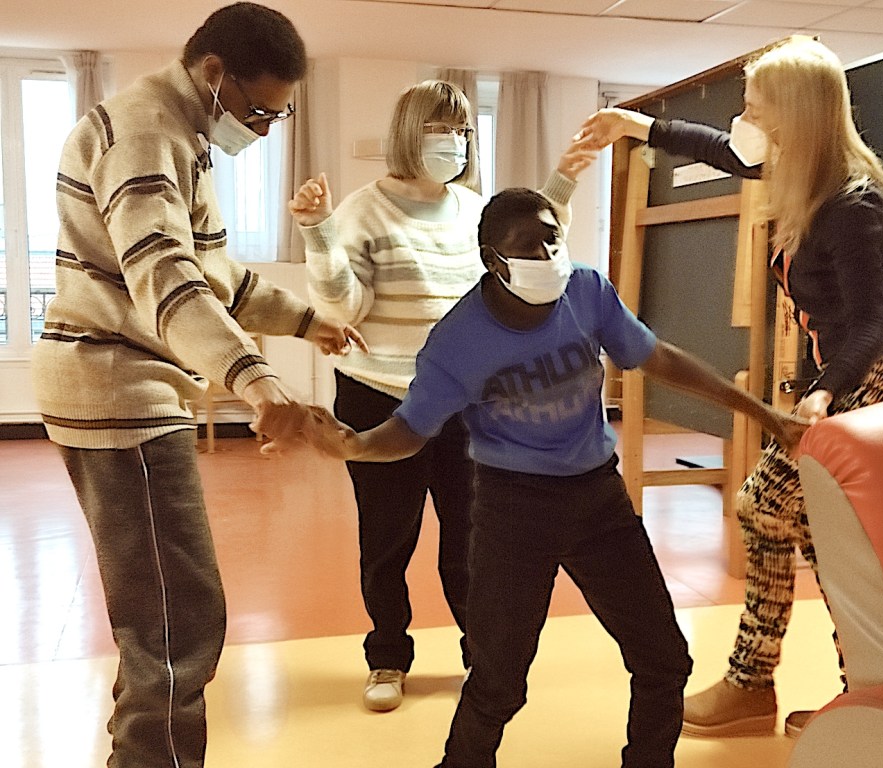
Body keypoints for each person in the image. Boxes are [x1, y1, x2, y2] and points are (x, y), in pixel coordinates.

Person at [290, 186, 807, 768]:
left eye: (551, 237)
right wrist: (353, 446)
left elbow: (656, 356)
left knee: (664, 659)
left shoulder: (586, 291)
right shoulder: (457, 341)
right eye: (526, 247)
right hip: (514, 512)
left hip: (599, 501)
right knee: (498, 685)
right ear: (492, 260)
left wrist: (766, 415)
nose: (545, 255)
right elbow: (411, 430)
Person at [30, 4, 365, 766]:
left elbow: (214, 272)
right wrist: (258, 382)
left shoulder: (179, 136)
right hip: (118, 390)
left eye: (280, 117)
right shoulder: (146, 132)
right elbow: (166, 276)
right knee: (175, 622)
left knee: (163, 616)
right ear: (214, 73)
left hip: (119, 386)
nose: (266, 131)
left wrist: (304, 319)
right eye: (260, 111)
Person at [575, 35, 883, 738]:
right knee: (812, 530)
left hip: (874, 380)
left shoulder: (853, 205)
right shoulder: (796, 169)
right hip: (842, 377)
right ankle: (826, 690)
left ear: (797, 116)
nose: (745, 120)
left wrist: (824, 393)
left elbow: (874, 325)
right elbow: (723, 151)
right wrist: (632, 125)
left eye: (757, 108)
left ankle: (774, 683)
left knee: (767, 507)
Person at [288, 80, 594, 712]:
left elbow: (525, 255)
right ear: (409, 132)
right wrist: (318, 233)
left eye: (462, 131)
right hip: (383, 398)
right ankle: (387, 656)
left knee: (474, 540)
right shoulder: (363, 211)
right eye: (440, 129)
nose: (454, 142)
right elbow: (342, 307)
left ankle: (481, 654)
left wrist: (562, 182)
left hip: (467, 403)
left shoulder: (473, 209)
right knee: (388, 538)